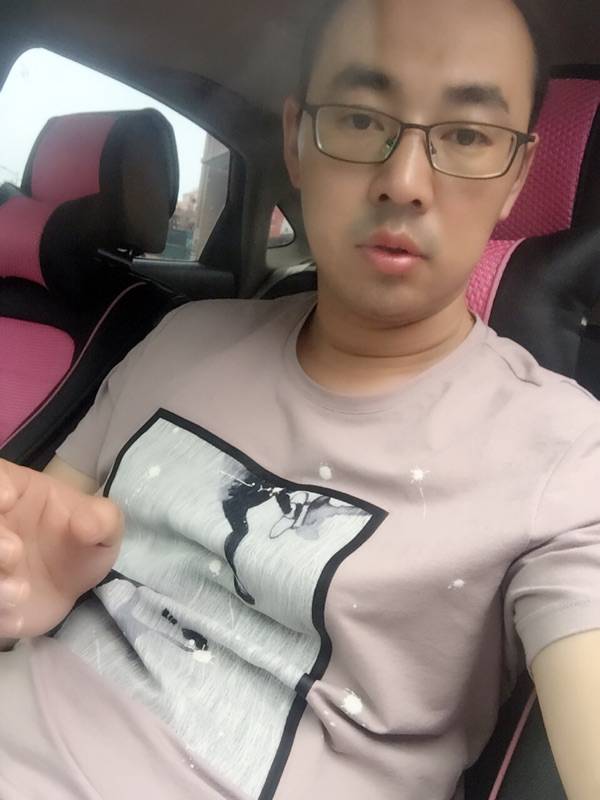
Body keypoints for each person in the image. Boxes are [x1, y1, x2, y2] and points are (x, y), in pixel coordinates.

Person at [1, 0, 600, 798]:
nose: (404, 182)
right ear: (296, 139)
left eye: (466, 136)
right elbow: (37, 546)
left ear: (517, 175)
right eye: (360, 119)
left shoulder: (567, 454)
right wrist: (27, 590)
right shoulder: (182, 337)